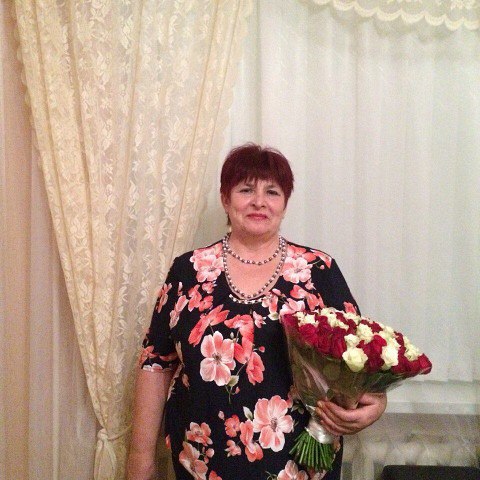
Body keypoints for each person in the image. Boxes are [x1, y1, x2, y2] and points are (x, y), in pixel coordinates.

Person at [127, 143, 387, 480]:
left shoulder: (318, 271)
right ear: (225, 199)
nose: (259, 201)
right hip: (203, 460)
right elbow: (155, 363)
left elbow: (359, 359)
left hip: (298, 460)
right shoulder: (188, 271)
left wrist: (375, 403)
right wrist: (141, 457)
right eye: (246, 189)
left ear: (285, 203)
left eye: (272, 192)